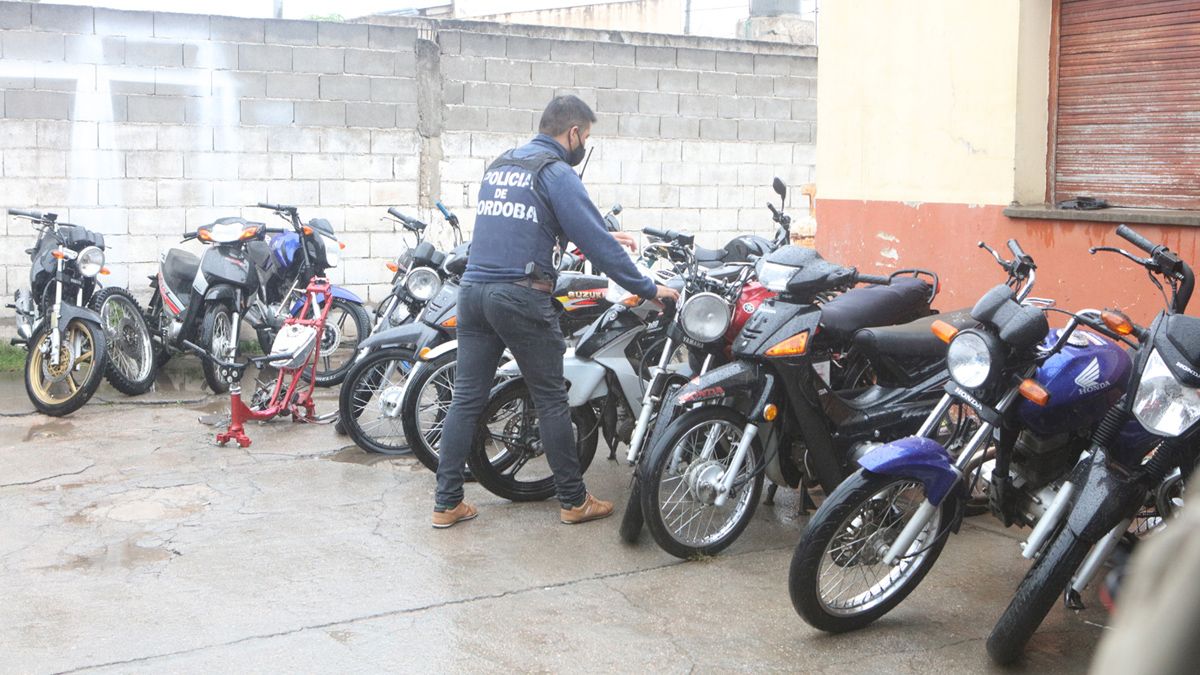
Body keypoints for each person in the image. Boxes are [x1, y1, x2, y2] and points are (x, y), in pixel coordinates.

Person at [432, 95, 679, 529]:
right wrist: (647, 288)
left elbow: (528, 225)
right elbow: (595, 246)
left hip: (473, 292)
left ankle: (446, 503)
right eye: (586, 137)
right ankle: (573, 499)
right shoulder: (556, 171)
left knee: (467, 398)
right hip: (521, 296)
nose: (585, 144)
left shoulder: (502, 165)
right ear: (574, 133)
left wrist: (598, 233)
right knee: (550, 397)